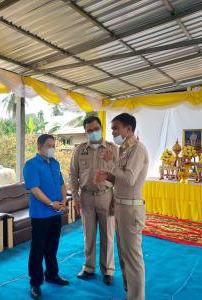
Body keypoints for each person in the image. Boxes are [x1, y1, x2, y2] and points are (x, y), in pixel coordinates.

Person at [94, 113, 148, 300]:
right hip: (121, 207)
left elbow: (130, 179)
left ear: (128, 129)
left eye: (116, 128)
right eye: (112, 129)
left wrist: (110, 163)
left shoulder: (138, 150)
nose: (113, 132)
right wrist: (107, 176)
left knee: (133, 258)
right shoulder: (125, 150)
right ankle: (129, 293)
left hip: (131, 209)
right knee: (124, 254)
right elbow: (120, 180)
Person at [70, 116, 117, 285]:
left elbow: (119, 176)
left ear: (101, 128)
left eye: (95, 128)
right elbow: (73, 175)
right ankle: (89, 267)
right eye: (89, 130)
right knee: (88, 235)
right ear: (85, 132)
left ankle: (108, 270)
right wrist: (75, 197)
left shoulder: (112, 149)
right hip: (86, 197)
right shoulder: (80, 150)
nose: (92, 132)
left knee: (108, 235)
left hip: (106, 195)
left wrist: (115, 200)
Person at [23, 134, 70, 299]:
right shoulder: (31, 165)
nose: (52, 149)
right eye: (49, 146)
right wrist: (51, 203)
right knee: (38, 248)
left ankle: (52, 274)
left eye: (53, 146)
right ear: (39, 147)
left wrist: (64, 200)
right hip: (41, 214)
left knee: (52, 246)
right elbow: (34, 189)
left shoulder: (55, 163)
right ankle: (35, 283)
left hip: (56, 212)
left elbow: (62, 184)